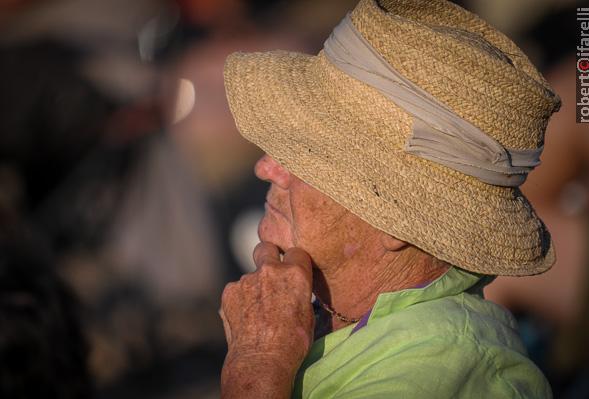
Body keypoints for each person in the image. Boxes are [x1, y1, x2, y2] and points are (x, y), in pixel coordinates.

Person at [219, 0, 561, 397]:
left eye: (307, 155)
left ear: (395, 220)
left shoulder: (435, 378)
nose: (266, 167)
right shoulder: (367, 327)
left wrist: (258, 365)